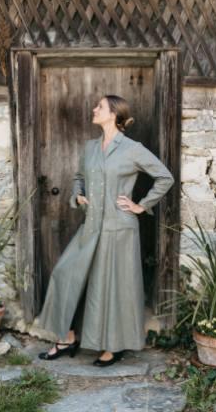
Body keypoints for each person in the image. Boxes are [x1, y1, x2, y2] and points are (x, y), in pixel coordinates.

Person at [38, 94, 175, 367]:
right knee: (63, 273)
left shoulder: (132, 149)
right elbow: (79, 178)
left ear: (113, 113)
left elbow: (165, 177)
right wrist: (77, 196)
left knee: (112, 288)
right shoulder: (90, 147)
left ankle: (113, 346)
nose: (93, 109)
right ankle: (66, 338)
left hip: (119, 229)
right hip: (90, 227)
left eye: (99, 106)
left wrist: (140, 206)